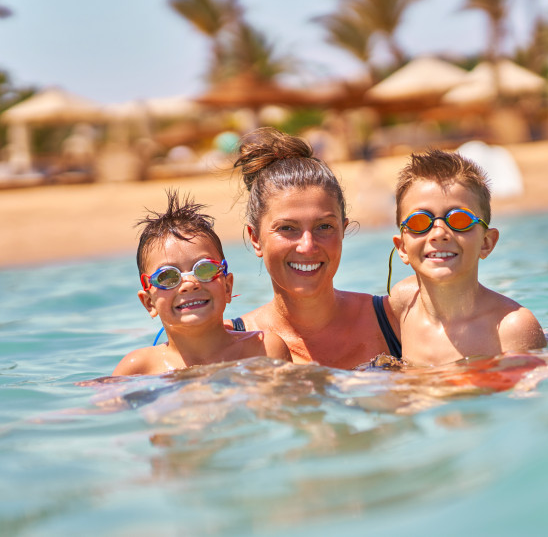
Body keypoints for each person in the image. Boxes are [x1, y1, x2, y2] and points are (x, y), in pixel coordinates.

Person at [229, 128, 401, 369]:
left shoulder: (394, 321)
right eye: (287, 228)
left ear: (343, 230)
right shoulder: (230, 344)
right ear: (255, 238)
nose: (307, 246)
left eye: (324, 226)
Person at [385, 149, 548, 366]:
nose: (439, 233)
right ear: (402, 247)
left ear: (486, 243)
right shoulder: (403, 302)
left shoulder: (511, 328)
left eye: (459, 220)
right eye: (420, 222)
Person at [113, 190, 290, 376]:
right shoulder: (138, 368)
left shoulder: (263, 350)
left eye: (204, 269)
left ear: (227, 287)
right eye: (168, 277)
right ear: (149, 303)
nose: (189, 283)